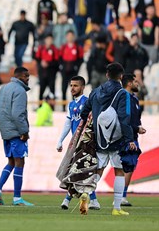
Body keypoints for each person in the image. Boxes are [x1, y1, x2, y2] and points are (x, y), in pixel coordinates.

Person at [80, 63, 136, 216]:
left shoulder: (96, 91)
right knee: (119, 170)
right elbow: (125, 119)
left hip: (99, 138)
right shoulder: (123, 93)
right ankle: (117, 208)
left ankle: (86, 192)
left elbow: (84, 112)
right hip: (116, 138)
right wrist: (130, 138)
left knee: (99, 168)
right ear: (121, 77)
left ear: (106, 75)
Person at [56, 76, 101, 210]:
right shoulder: (71, 104)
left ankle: (68, 200)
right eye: (71, 85)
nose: (72, 88)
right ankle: (92, 200)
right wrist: (60, 140)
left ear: (82, 87)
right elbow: (68, 123)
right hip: (75, 142)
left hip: (86, 142)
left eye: (75, 86)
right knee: (78, 171)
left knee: (78, 170)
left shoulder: (87, 103)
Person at [0, 67, 33, 206]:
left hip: (6, 131)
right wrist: (24, 131)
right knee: (20, 162)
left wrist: (3, 130)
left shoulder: (3, 88)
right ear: (20, 76)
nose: (28, 79)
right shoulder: (20, 91)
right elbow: (17, 114)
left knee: (11, 162)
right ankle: (17, 198)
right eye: (26, 76)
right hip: (16, 132)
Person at [121, 74, 146, 207]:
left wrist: (137, 128)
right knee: (123, 166)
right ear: (129, 83)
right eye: (135, 82)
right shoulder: (123, 98)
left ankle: (122, 196)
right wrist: (136, 129)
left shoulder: (134, 99)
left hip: (133, 135)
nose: (138, 84)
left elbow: (134, 118)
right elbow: (124, 119)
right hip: (124, 137)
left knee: (129, 167)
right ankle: (119, 197)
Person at [59, 30, 83, 105]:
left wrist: (76, 67)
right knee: (64, 88)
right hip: (65, 69)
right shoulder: (63, 47)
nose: (70, 37)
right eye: (68, 36)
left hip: (73, 71)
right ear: (66, 37)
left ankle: (74, 105)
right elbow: (59, 58)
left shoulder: (77, 47)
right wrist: (62, 67)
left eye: (71, 36)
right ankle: (63, 105)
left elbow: (80, 59)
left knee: (74, 88)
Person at [35, 34, 59, 100]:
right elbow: (37, 58)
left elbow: (57, 62)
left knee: (52, 90)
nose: (49, 41)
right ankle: (39, 106)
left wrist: (48, 64)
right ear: (45, 40)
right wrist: (41, 63)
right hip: (42, 72)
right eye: (48, 39)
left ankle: (52, 107)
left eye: (50, 39)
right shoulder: (41, 48)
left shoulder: (55, 49)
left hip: (51, 73)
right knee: (41, 90)